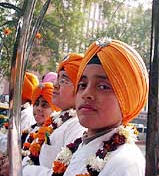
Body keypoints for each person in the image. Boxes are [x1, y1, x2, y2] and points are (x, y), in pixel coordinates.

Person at [50, 38, 149, 176]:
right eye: (82, 85)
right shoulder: (76, 147)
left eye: (103, 86)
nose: (86, 94)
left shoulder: (125, 163)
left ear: (127, 98)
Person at [22, 53, 85, 176]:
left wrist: (20, 169)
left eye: (63, 80)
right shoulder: (55, 120)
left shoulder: (78, 125)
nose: (55, 84)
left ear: (80, 88)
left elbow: (61, 173)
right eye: (58, 78)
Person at [0, 81, 58, 176]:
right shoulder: (32, 129)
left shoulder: (52, 133)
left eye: (44, 105)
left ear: (55, 109)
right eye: (36, 104)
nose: (38, 108)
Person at [0, 72, 39, 154]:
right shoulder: (20, 110)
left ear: (22, 93)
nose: (11, 92)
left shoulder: (27, 114)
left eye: (14, 89)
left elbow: (15, 144)